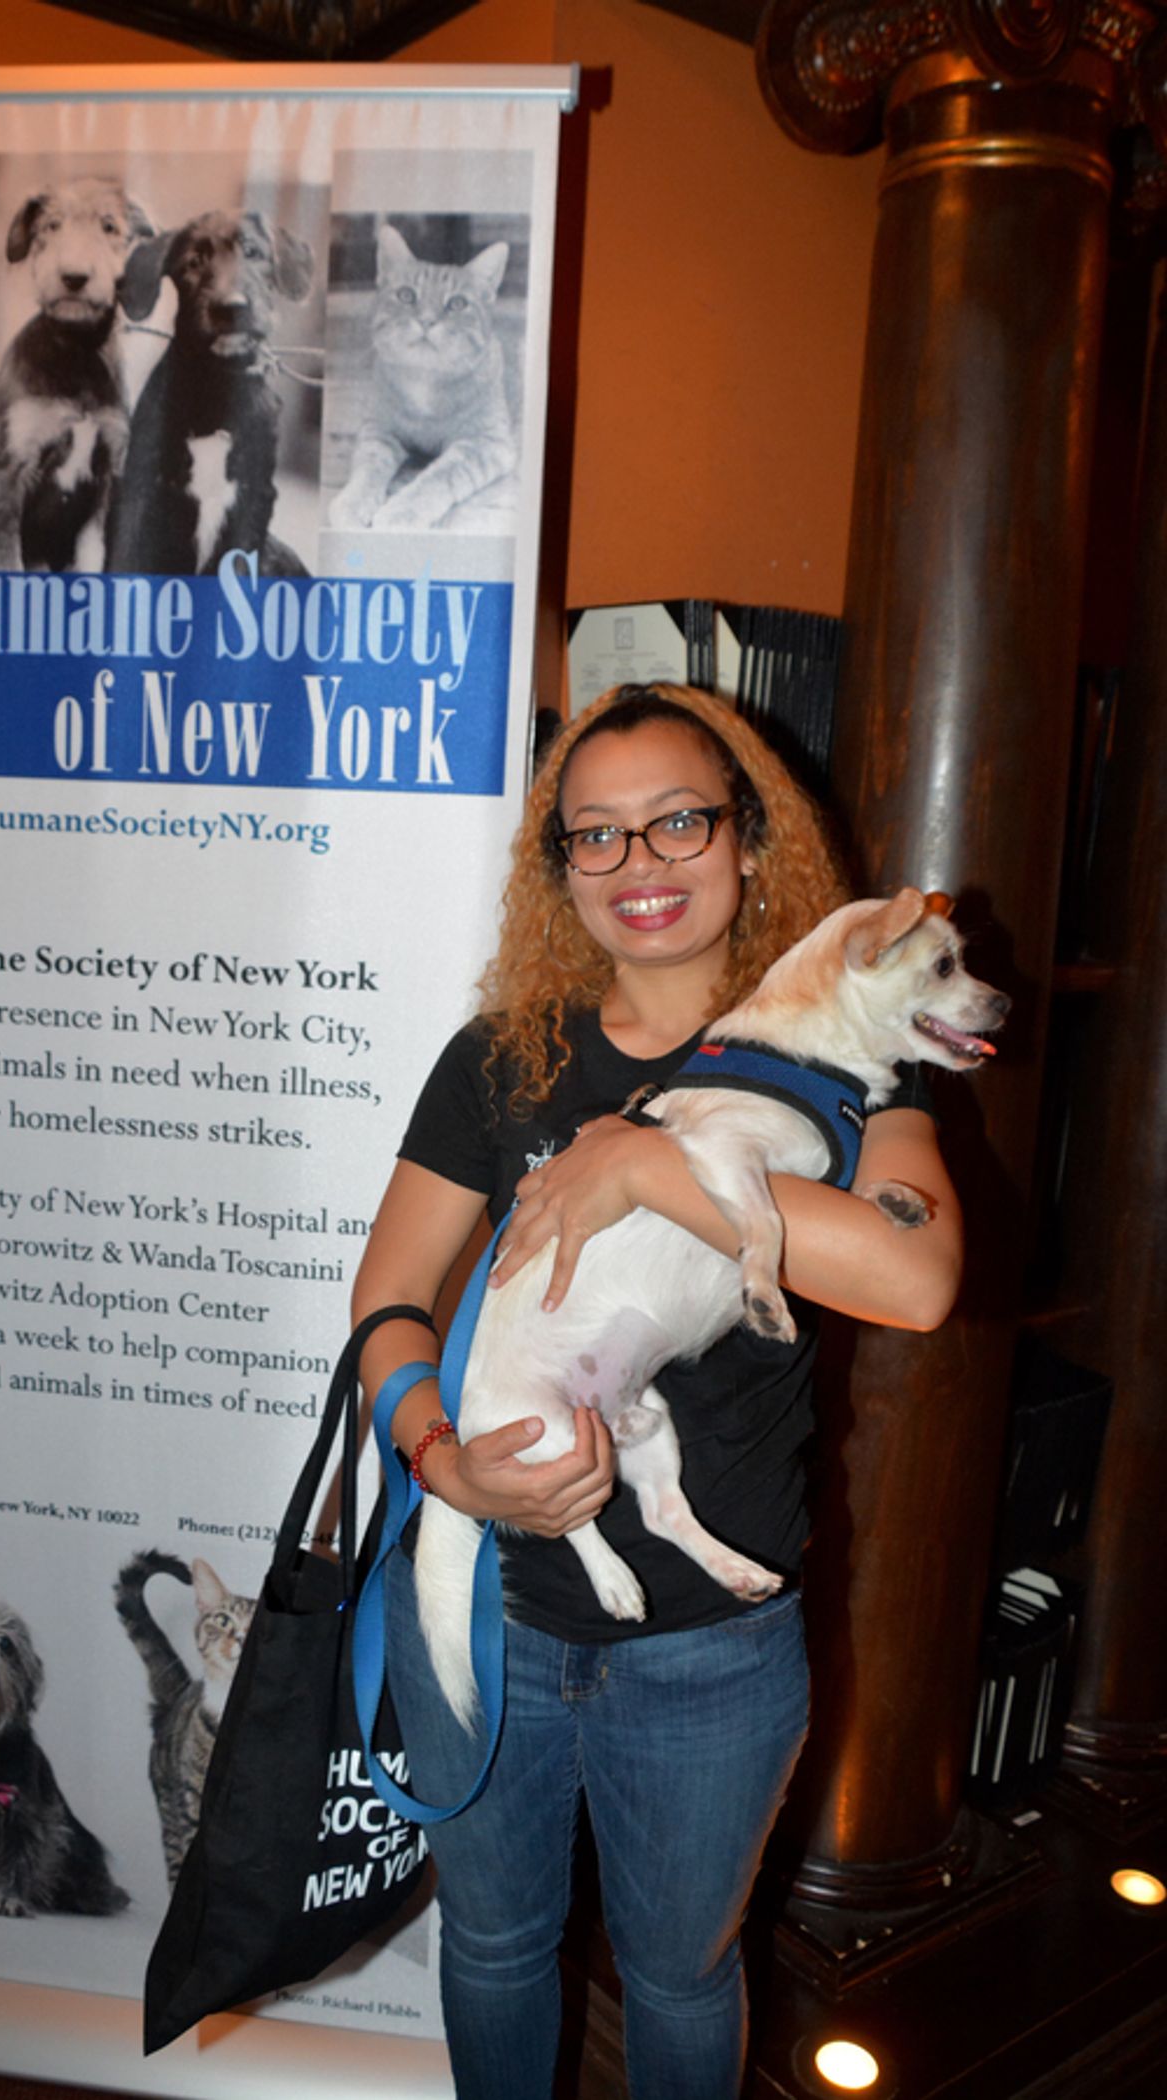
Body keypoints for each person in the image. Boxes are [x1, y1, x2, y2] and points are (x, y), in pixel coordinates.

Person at [351, 682, 962, 2100]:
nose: (642, 866)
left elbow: (918, 1282)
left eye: (679, 821)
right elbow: (385, 1304)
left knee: (682, 1974)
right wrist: (437, 1455)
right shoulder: (503, 1060)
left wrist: (646, 1165)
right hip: (497, 1610)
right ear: (557, 867)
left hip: (709, 1646)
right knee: (498, 1944)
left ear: (749, 841)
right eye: (598, 837)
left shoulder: (850, 1068)